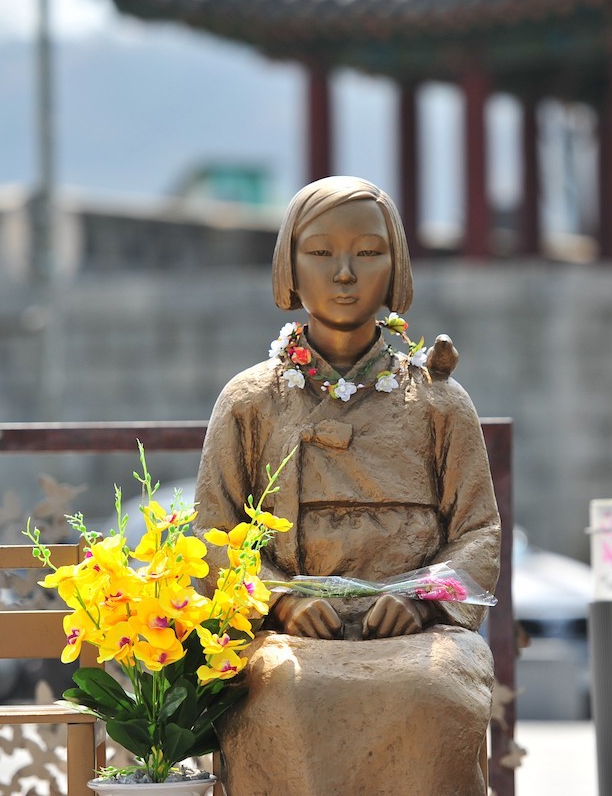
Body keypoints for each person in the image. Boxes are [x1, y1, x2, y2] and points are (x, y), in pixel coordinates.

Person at [193, 176, 501, 795]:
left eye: (367, 253)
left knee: (437, 688)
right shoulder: (250, 401)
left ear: (396, 267)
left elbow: (479, 534)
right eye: (320, 252)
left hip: (418, 634)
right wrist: (279, 602)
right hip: (289, 635)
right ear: (288, 266)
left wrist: (421, 600)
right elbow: (213, 534)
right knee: (281, 686)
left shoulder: (440, 403)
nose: (343, 273)